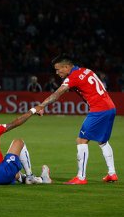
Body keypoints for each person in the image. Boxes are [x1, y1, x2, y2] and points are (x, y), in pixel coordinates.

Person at [37, 53, 117, 184]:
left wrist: (42, 105)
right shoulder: (86, 70)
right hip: (110, 107)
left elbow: (57, 93)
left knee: (81, 140)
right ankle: (112, 173)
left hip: (99, 110)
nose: (57, 73)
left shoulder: (73, 77)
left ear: (67, 66)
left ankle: (81, 177)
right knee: (103, 141)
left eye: (58, 69)